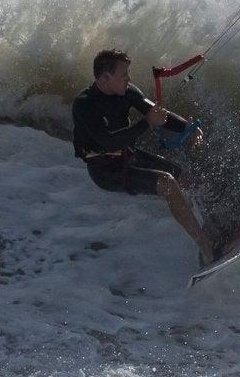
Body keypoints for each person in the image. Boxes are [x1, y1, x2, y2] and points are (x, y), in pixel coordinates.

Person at [72, 48, 221, 264]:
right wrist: (147, 123)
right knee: (167, 184)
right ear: (105, 78)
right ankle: (207, 248)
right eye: (123, 75)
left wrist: (187, 127)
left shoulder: (128, 92)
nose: (128, 79)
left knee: (187, 179)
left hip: (128, 155)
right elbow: (108, 141)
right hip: (105, 170)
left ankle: (215, 226)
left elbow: (159, 115)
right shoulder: (84, 104)